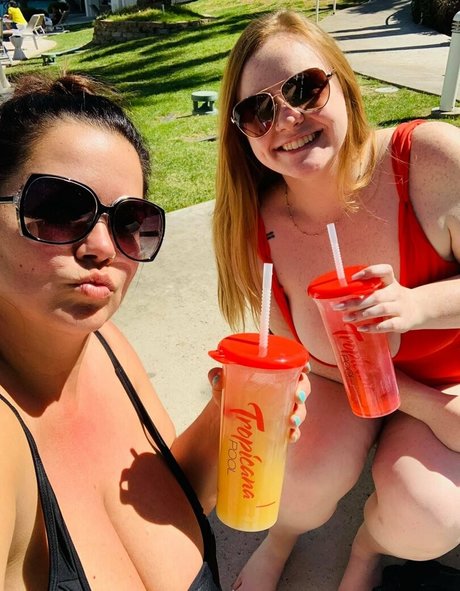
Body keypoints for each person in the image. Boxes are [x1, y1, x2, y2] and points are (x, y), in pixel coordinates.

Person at [0, 70, 310, 590]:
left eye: (128, 222)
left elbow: (171, 499)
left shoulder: (107, 346)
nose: (102, 248)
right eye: (57, 210)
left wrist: (228, 420)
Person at [213, 9, 460, 591]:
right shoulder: (260, 224)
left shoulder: (430, 159)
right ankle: (279, 540)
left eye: (304, 88)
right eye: (258, 111)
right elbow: (293, 354)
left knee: (427, 516)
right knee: (293, 482)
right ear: (243, 133)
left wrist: (417, 307)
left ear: (343, 84)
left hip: (448, 378)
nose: (287, 119)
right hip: (339, 384)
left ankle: (366, 550)